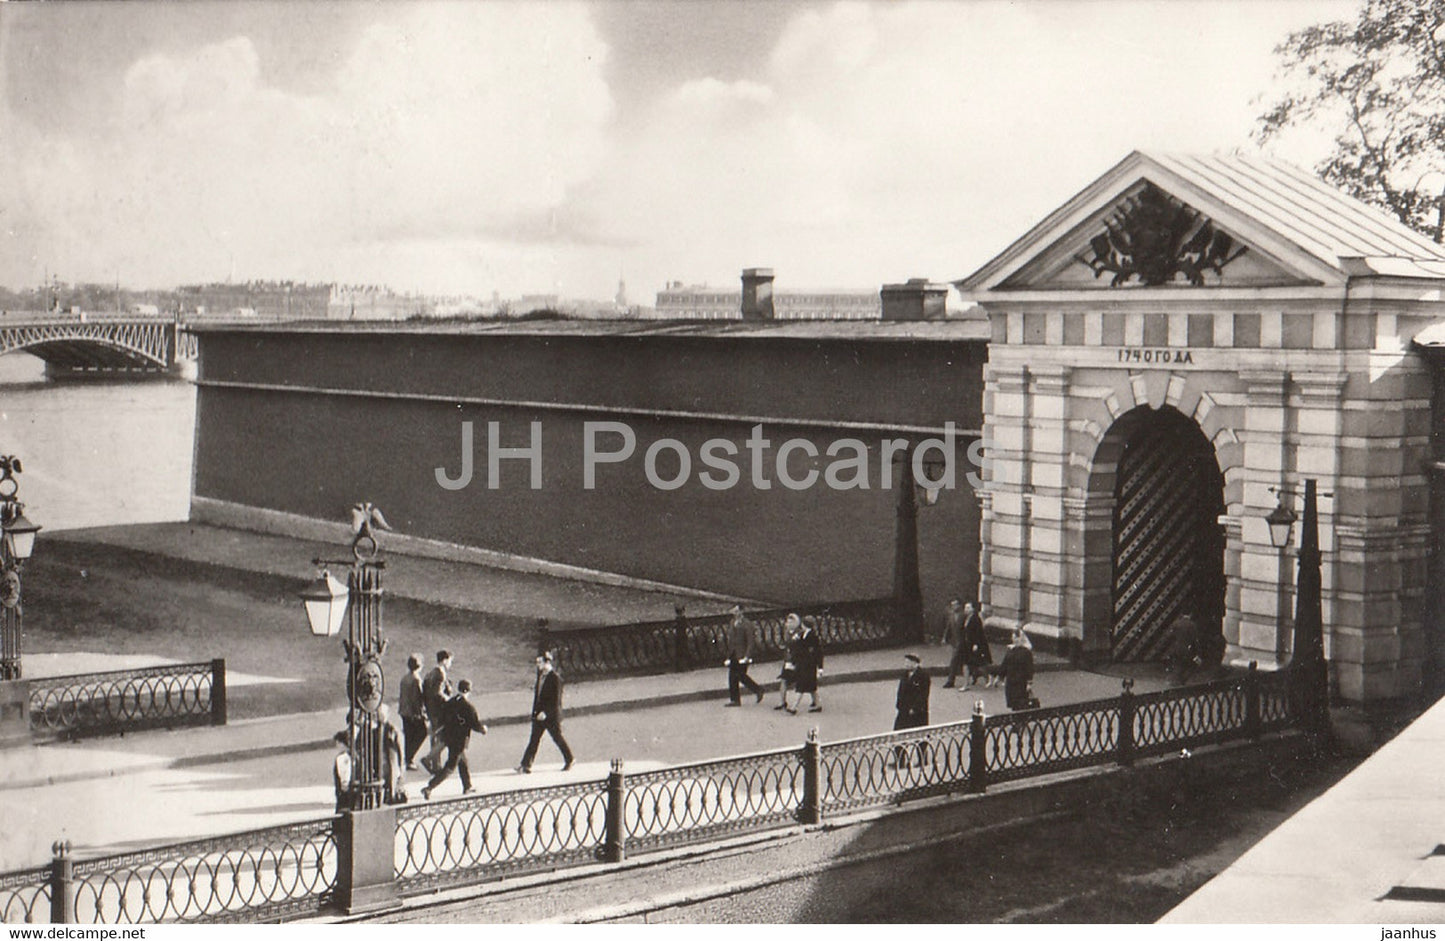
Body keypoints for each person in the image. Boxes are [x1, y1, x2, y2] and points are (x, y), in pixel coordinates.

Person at [421, 679, 487, 799]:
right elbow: (475, 724)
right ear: (467, 691)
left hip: (449, 737)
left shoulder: (451, 701)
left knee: (463, 761)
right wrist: (483, 729)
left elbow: (443, 716)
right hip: (459, 741)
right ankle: (429, 787)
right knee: (450, 767)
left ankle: (467, 786)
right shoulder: (468, 707)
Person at [518, 651, 574, 773]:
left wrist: (546, 713)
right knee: (534, 739)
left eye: (540, 662)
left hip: (551, 716)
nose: (538, 665)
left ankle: (570, 759)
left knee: (557, 738)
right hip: (539, 715)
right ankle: (526, 765)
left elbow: (556, 700)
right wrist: (535, 713)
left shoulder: (555, 678)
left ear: (547, 662)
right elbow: (538, 697)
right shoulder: (541, 677)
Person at [893, 652, 932, 768]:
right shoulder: (905, 674)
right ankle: (900, 760)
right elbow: (900, 691)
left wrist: (914, 708)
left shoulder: (923, 676)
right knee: (899, 734)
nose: (906, 664)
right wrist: (899, 705)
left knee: (920, 736)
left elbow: (923, 695)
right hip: (904, 710)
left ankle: (922, 759)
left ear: (916, 664)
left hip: (917, 712)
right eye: (905, 662)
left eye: (909, 662)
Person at [724, 603, 765, 706]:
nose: (735, 613)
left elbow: (750, 641)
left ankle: (757, 689)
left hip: (742, 654)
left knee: (740, 675)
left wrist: (747, 655)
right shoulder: (732, 622)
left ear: (742, 612)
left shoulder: (747, 624)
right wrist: (729, 654)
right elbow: (731, 639)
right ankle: (735, 699)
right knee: (732, 676)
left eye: (737, 611)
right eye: (734, 611)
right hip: (734, 653)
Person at [420, 649, 453, 773]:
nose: (450, 664)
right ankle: (433, 763)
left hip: (431, 709)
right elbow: (437, 693)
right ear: (444, 660)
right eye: (450, 661)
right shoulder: (440, 673)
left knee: (435, 736)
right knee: (441, 736)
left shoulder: (432, 672)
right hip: (438, 710)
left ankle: (434, 764)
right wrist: (449, 700)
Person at [398, 653, 428, 770]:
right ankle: (408, 758)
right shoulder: (416, 679)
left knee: (409, 735)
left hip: (404, 711)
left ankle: (406, 759)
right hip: (412, 712)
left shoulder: (405, 678)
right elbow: (417, 698)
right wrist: (421, 713)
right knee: (422, 732)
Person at [791, 616, 824, 713]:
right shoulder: (803, 634)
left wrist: (820, 667)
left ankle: (794, 707)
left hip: (808, 665)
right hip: (804, 664)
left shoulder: (812, 636)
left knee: (801, 686)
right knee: (811, 687)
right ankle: (818, 705)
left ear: (803, 625)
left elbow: (818, 653)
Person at [377, 703, 408, 804]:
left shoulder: (393, 729)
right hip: (381, 761)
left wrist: (402, 764)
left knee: (391, 783)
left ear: (387, 714)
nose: (380, 716)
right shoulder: (376, 729)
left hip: (391, 762)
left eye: (382, 714)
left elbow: (400, 748)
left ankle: (392, 799)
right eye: (378, 714)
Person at [998, 629, 1037, 711]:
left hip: (1021, 681)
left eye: (1016, 638)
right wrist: (1000, 677)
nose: (1014, 640)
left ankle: (1021, 721)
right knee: (1013, 702)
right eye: (1013, 638)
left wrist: (1029, 682)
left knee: (1021, 703)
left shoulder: (1026, 652)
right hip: (1011, 681)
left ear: (1021, 638)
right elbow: (1005, 664)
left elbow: (1029, 668)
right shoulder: (1011, 650)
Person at [774, 613, 802, 712]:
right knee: (784, 680)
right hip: (788, 660)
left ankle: (815, 700)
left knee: (802, 682)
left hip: (796, 661)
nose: (788, 624)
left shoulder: (799, 633)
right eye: (787, 622)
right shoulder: (787, 632)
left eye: (791, 622)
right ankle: (782, 701)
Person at [963, 602, 994, 687]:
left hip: (977, 645)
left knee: (982, 663)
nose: (966, 609)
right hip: (969, 644)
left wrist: (976, 644)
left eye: (968, 608)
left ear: (973, 609)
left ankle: (990, 677)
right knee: (968, 663)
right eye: (965, 608)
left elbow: (978, 632)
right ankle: (967, 683)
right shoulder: (967, 618)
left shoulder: (975, 619)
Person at [941, 598, 968, 688]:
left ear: (960, 605)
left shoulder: (964, 615)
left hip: (963, 642)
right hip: (955, 643)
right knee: (959, 661)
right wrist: (945, 638)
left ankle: (951, 681)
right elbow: (948, 627)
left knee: (956, 661)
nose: (954, 607)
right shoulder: (951, 615)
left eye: (956, 604)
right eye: (952, 605)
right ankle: (951, 680)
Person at [1170, 613, 1201, 685]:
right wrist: (1198, 652)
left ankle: (1176, 680)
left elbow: (1171, 637)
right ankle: (1182, 680)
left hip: (1176, 648)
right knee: (1189, 665)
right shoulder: (1192, 625)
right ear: (1190, 615)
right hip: (1187, 649)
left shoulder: (1176, 623)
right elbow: (1195, 640)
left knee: (1178, 663)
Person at [331, 730, 352, 813]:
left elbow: (343, 774)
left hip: (343, 793)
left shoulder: (341, 758)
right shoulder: (352, 755)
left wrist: (344, 784)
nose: (337, 746)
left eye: (338, 743)